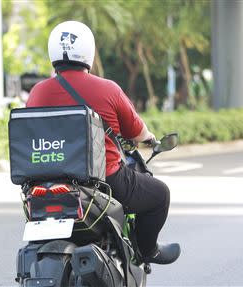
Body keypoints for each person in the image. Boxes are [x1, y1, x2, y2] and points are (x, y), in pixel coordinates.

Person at [26, 20, 180, 265]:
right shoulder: (107, 89)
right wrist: (150, 139)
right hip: (104, 180)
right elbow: (136, 131)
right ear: (89, 51)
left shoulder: (37, 92)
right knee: (160, 194)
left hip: (47, 181)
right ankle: (146, 251)